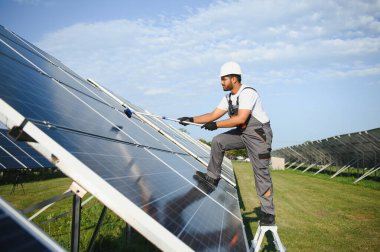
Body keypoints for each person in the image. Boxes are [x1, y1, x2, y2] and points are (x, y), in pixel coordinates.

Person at [178, 61, 275, 225]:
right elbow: (211, 115)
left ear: (234, 79)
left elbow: (241, 118)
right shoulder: (228, 98)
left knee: (261, 174)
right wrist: (191, 120)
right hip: (243, 133)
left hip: (259, 135)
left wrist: (216, 125)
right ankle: (212, 177)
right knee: (218, 141)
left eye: (223, 79)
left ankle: (268, 213)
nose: (221, 82)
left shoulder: (248, 93)